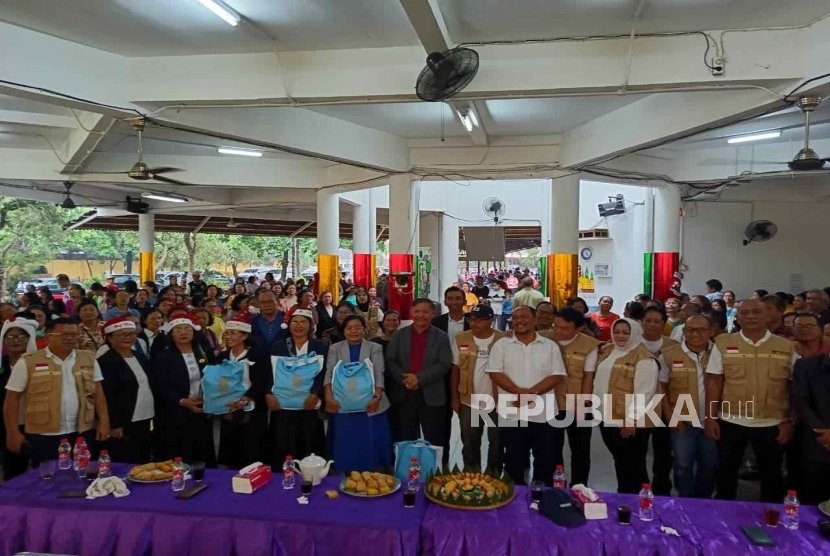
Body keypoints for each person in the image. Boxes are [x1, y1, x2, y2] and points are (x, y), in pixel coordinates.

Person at [704, 298, 797, 502]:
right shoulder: (723, 343)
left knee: (771, 475)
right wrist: (710, 417)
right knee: (726, 472)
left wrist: (789, 420)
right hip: (731, 419)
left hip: (772, 421)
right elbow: (714, 382)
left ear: (768, 316)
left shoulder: (786, 346)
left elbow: (795, 387)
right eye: (745, 312)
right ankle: (724, 512)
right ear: (737, 317)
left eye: (756, 312)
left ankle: (770, 516)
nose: (750, 316)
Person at [3, 317, 110, 465]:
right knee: (47, 474)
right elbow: (12, 398)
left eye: (74, 334)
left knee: (82, 471)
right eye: (64, 334)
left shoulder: (88, 359)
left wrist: (104, 422)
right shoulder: (28, 361)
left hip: (82, 430)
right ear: (48, 336)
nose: (70, 338)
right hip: (44, 434)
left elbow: (98, 393)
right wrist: (12, 431)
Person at [487, 305, 566, 485]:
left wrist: (530, 394)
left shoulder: (550, 346)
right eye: (515, 317)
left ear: (535, 319)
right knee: (513, 461)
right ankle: (516, 499)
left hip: (544, 414)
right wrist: (518, 392)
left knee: (545, 461)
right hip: (512, 414)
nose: (519, 321)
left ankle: (541, 497)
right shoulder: (501, 345)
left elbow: (557, 375)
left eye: (524, 317)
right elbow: (495, 373)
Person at [594, 318, 660, 494]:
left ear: (635, 333)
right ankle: (624, 497)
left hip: (628, 421)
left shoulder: (644, 358)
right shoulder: (609, 351)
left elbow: (644, 392)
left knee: (634, 465)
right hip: (607, 416)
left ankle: (640, 500)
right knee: (621, 461)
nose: (620, 336)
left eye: (626, 332)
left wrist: (631, 420)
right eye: (616, 332)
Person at [386, 298, 453, 466]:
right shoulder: (399, 335)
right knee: (404, 437)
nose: (420, 315)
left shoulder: (441, 337)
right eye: (417, 311)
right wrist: (405, 379)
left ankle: (436, 473)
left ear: (433, 313)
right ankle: (405, 472)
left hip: (432, 395)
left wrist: (419, 378)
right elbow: (390, 361)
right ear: (411, 312)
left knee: (435, 438)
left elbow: (444, 363)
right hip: (404, 393)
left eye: (425, 312)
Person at [658, 314, 716, 498]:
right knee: (683, 465)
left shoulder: (719, 354)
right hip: (682, 421)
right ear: (683, 331)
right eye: (690, 330)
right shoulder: (669, 355)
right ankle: (685, 501)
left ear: (710, 331)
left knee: (709, 465)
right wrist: (671, 417)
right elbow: (661, 387)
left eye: (701, 330)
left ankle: (703, 502)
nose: (696, 334)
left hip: (712, 420)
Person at [325, 314, 391, 472]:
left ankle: (372, 471)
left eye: (357, 327)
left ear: (364, 329)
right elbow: (329, 373)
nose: (353, 331)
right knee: (345, 440)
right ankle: (344, 470)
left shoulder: (375, 347)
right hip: (342, 404)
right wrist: (329, 397)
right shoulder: (335, 348)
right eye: (349, 328)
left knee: (369, 441)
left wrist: (376, 397)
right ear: (343, 331)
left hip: (371, 403)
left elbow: (379, 374)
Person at [268, 308, 327, 467]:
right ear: (288, 324)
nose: (298, 325)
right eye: (295, 322)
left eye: (303, 322)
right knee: (282, 444)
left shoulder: (319, 346)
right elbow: (270, 372)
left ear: (310, 325)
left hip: (308, 404)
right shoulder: (278, 346)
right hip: (283, 404)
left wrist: (315, 393)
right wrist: (268, 394)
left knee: (309, 444)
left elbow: (323, 373)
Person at [154, 314, 216, 465]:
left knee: (202, 451)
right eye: (178, 330)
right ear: (171, 334)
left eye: (187, 329)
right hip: (175, 410)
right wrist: (181, 400)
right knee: (178, 451)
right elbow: (159, 385)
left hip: (202, 408)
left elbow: (214, 377)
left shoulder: (204, 351)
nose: (183, 332)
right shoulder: (163, 356)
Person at [450, 305, 505, 472]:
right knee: (470, 443)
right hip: (469, 401)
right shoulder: (461, 339)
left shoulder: (503, 340)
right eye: (472, 319)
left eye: (480, 320)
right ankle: (471, 475)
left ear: (491, 320)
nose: (474, 323)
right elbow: (455, 370)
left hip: (497, 402)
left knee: (497, 442)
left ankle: (493, 476)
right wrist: (455, 399)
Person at [549, 307, 600, 487]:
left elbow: (588, 376)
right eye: (556, 326)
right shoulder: (545, 339)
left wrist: (584, 405)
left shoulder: (589, 345)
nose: (558, 331)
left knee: (580, 449)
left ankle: (579, 487)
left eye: (564, 328)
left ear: (578, 328)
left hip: (577, 403)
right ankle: (556, 485)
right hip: (551, 403)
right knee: (552, 447)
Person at [212, 315, 270, 469]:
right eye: (227, 333)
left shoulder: (257, 356)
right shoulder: (222, 357)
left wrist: (247, 397)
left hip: (252, 408)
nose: (229, 337)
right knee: (231, 448)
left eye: (233, 333)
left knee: (252, 448)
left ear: (244, 336)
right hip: (228, 408)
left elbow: (262, 381)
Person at [98, 317, 155, 464]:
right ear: (110, 338)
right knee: (126, 459)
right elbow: (106, 395)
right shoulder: (106, 361)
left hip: (146, 416)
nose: (128, 337)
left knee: (144, 458)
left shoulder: (140, 356)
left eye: (131, 333)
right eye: (122, 334)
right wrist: (114, 424)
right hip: (124, 420)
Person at [0, 316, 39, 480]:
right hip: (7, 424)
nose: (15, 340)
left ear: (30, 339)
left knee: (39, 468)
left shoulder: (39, 363)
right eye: (9, 336)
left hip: (36, 422)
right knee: (13, 469)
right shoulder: (2, 363)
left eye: (20, 336)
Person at [791, 351, 830, 504]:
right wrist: (824, 433)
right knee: (814, 500)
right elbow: (800, 402)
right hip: (818, 442)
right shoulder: (806, 365)